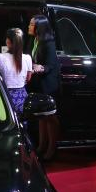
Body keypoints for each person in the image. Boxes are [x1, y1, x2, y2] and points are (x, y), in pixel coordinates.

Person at [28, 15, 60, 160]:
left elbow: (51, 65)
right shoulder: (34, 40)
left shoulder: (49, 43)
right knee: (41, 116)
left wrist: (40, 67)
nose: (29, 26)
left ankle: (51, 149)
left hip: (48, 84)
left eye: (31, 24)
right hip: (39, 83)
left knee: (50, 117)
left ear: (39, 27)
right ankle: (41, 146)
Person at [0, 27, 32, 114]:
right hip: (22, 98)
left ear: (8, 41)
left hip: (4, 97)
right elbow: (28, 79)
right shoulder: (27, 58)